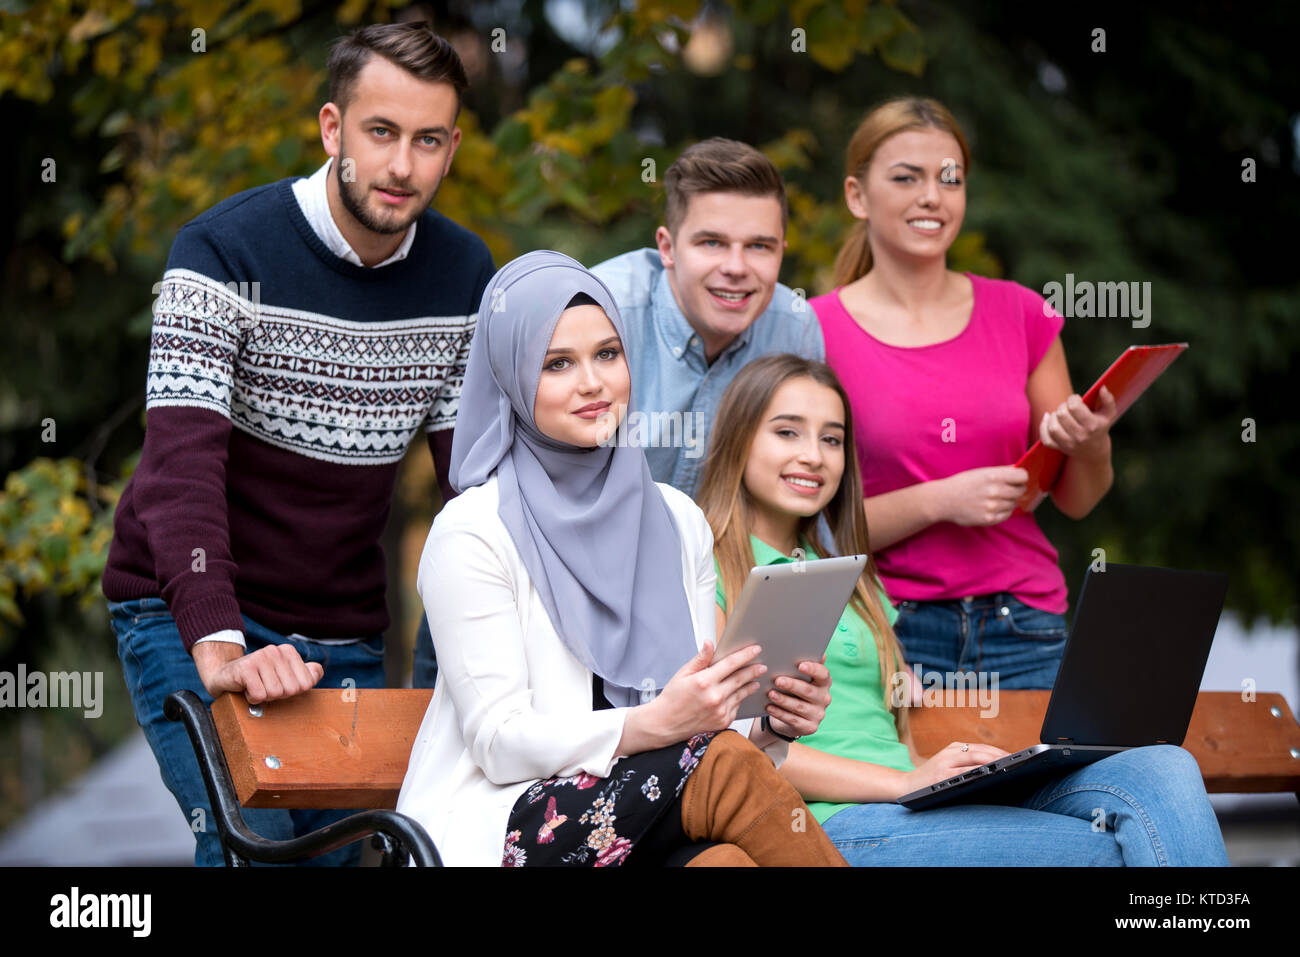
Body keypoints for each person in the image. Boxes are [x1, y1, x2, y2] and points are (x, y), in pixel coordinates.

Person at [101, 22, 495, 866]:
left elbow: (477, 489)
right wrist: (219, 644)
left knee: (346, 858)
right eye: (380, 132)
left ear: (452, 148)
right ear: (331, 128)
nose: (402, 165)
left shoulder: (465, 275)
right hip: (187, 604)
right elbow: (179, 470)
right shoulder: (220, 250)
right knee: (255, 853)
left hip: (341, 629)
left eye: (428, 140)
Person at [395, 251, 846, 867]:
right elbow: (499, 742)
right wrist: (654, 724)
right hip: (510, 820)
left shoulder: (677, 521)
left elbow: (694, 717)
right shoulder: (472, 531)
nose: (593, 383)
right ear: (512, 378)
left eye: (608, 354)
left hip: (652, 810)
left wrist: (773, 722)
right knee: (723, 765)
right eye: (557, 363)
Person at [697, 353, 1229, 865]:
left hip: (914, 804)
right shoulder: (707, 570)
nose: (814, 455)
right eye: (787, 432)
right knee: (1106, 853)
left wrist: (955, 776)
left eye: (831, 439)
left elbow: (893, 738)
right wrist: (906, 782)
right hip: (828, 824)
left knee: (1162, 765)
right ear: (738, 441)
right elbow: (732, 749)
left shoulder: (854, 581)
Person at [809, 97, 1120, 689]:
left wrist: (1093, 446)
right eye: (907, 178)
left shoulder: (1022, 314)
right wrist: (939, 501)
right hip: (887, 629)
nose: (932, 196)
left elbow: (1076, 500)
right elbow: (808, 524)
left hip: (1024, 627)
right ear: (857, 196)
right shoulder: (813, 332)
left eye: (949, 179)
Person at [591, 137, 825, 498]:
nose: (736, 267)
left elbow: (804, 479)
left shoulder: (794, 327)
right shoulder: (601, 315)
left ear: (781, 252)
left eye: (758, 246)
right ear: (667, 248)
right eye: (712, 243)